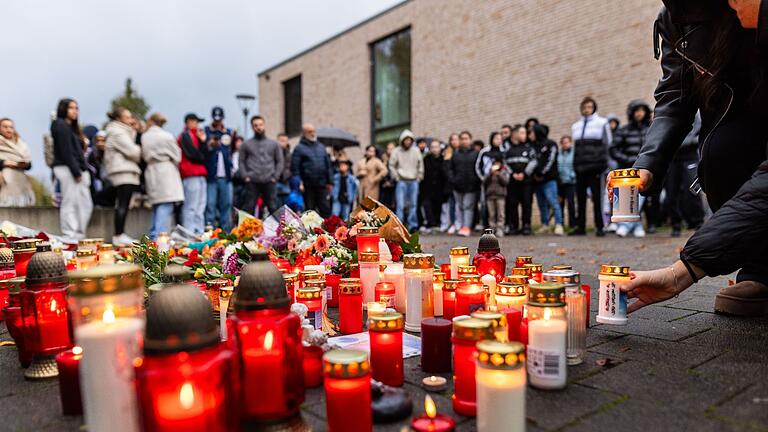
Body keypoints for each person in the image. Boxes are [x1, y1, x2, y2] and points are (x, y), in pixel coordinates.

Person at [614, 0, 768, 316]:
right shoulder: (678, 17)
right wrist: (647, 164)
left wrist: (681, 272)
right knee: (721, 153)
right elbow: (674, 98)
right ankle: (762, 268)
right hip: (737, 132)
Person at [609, 99, 652, 237]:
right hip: (626, 171)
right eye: (636, 111)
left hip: (643, 170)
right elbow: (613, 149)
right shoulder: (624, 131)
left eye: (642, 110)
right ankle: (636, 226)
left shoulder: (650, 130)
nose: (639, 114)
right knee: (625, 200)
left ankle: (626, 226)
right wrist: (627, 159)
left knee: (639, 198)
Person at [51, 98, 92, 241]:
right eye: (71, 108)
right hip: (67, 168)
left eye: (76, 108)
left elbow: (77, 151)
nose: (75, 111)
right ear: (63, 109)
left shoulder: (71, 127)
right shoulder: (59, 124)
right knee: (70, 202)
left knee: (84, 204)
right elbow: (65, 151)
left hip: (77, 169)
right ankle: (69, 235)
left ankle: (78, 235)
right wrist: (76, 171)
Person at [571, 96, 611, 236]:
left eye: (589, 107)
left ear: (594, 108)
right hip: (580, 168)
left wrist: (603, 165)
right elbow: (575, 150)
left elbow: (608, 145)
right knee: (580, 199)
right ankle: (580, 227)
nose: (587, 110)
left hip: (595, 167)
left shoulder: (602, 123)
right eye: (584, 107)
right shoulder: (576, 126)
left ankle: (600, 227)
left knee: (597, 198)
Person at [141, 113, 184, 239]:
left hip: (151, 170)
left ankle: (154, 235)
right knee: (165, 205)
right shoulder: (167, 136)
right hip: (166, 170)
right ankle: (160, 237)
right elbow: (177, 156)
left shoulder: (145, 136)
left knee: (156, 205)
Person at [104, 107, 142, 245]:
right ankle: (118, 235)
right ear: (119, 119)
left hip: (124, 170)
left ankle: (120, 234)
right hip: (122, 171)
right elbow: (133, 152)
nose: (131, 120)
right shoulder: (117, 132)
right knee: (122, 204)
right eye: (128, 117)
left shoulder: (122, 131)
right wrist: (138, 148)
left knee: (124, 204)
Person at [665, 113, 704, 237]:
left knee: (692, 191)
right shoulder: (668, 112)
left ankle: (698, 222)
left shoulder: (695, 114)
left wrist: (681, 143)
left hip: (690, 157)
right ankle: (676, 224)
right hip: (672, 159)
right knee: (671, 193)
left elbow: (699, 134)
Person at [239, 115, 283, 218]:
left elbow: (280, 161)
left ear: (264, 125)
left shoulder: (274, 144)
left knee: (273, 208)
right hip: (252, 181)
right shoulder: (246, 144)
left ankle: (278, 232)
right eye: (256, 125)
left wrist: (275, 177)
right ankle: (246, 233)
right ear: (252, 127)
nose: (258, 127)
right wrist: (245, 176)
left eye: (260, 125)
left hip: (269, 180)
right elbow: (241, 161)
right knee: (249, 207)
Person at [203, 107, 234, 232]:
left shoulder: (229, 132)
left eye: (219, 119)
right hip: (211, 176)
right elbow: (203, 149)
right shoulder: (206, 131)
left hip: (226, 176)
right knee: (210, 204)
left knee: (226, 204)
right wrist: (211, 143)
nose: (217, 123)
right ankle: (210, 232)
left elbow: (233, 148)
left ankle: (225, 232)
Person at [292, 123, 333, 217]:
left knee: (325, 209)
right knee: (310, 211)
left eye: (314, 131)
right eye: (310, 131)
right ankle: (311, 231)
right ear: (304, 133)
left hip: (322, 185)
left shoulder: (321, 147)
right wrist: (299, 182)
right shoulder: (299, 148)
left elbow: (328, 165)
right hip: (308, 186)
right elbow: (295, 168)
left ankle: (328, 230)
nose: (313, 133)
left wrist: (330, 182)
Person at [530, 124, 564, 235]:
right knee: (541, 204)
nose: (531, 134)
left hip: (549, 179)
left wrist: (542, 173)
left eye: (533, 132)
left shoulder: (551, 144)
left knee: (553, 201)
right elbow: (531, 162)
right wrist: (535, 174)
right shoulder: (533, 146)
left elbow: (551, 160)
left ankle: (559, 225)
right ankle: (545, 224)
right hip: (536, 181)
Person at [177, 113, 208, 235]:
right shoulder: (185, 135)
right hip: (190, 174)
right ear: (189, 122)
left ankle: (198, 231)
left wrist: (203, 142)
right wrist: (201, 156)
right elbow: (194, 155)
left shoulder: (197, 136)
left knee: (200, 206)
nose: (197, 124)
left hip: (200, 174)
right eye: (195, 122)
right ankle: (189, 233)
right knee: (191, 206)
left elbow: (204, 155)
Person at [388, 129, 423, 232]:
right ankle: (399, 226)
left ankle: (412, 225)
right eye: (406, 140)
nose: (407, 142)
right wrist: (396, 177)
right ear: (402, 140)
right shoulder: (396, 151)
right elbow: (391, 165)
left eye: (409, 140)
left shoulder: (416, 151)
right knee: (400, 205)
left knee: (413, 204)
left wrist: (419, 177)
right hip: (401, 181)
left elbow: (420, 164)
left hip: (413, 181)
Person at [445, 131, 479, 237]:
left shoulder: (476, 154)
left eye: (466, 138)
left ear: (470, 140)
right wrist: (453, 180)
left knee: (468, 206)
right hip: (457, 186)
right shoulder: (455, 154)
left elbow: (478, 169)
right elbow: (449, 169)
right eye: (462, 138)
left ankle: (466, 227)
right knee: (459, 206)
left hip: (471, 186)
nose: (464, 141)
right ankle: (460, 226)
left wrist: (475, 180)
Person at [505, 125, 536, 235]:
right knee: (512, 204)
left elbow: (533, 162)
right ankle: (513, 226)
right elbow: (505, 164)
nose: (525, 135)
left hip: (526, 182)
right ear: (515, 135)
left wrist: (524, 173)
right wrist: (512, 174)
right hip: (512, 183)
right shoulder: (508, 151)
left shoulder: (529, 149)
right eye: (522, 133)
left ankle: (526, 225)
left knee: (526, 203)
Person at [0, 118, 34, 206]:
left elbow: (29, 164)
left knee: (22, 203)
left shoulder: (21, 144)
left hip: (20, 177)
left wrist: (24, 164)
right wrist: (4, 163)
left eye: (11, 127)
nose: (8, 129)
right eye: (5, 127)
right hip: (4, 178)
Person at [421, 139, 446, 232]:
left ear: (440, 148)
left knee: (438, 206)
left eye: (436, 147)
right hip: (427, 187)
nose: (434, 149)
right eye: (432, 147)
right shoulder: (426, 159)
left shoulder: (443, 160)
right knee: (427, 205)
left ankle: (437, 223)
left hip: (439, 187)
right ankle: (430, 223)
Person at [484, 156, 510, 238]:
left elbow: (506, 182)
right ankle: (492, 229)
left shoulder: (504, 171)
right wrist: (490, 174)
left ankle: (500, 229)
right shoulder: (489, 172)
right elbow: (485, 182)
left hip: (500, 196)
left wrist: (498, 175)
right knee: (491, 214)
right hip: (490, 195)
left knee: (500, 214)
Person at [440, 133, 460, 233]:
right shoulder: (447, 154)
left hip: (461, 182)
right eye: (452, 140)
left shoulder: (462, 152)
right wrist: (453, 179)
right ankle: (453, 223)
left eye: (456, 139)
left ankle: (461, 223)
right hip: (451, 183)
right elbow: (446, 169)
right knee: (452, 204)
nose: (454, 142)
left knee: (461, 205)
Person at [557, 135, 577, 230]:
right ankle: (561, 224)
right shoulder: (559, 154)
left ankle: (572, 224)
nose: (565, 144)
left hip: (571, 182)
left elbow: (576, 165)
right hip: (560, 183)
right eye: (563, 142)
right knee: (560, 204)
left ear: (570, 142)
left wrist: (572, 175)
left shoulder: (574, 153)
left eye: (567, 142)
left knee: (571, 203)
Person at [379, 141, 397, 210]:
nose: (390, 151)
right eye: (388, 149)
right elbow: (382, 173)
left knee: (394, 206)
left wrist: (391, 182)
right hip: (384, 188)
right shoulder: (383, 160)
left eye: (391, 149)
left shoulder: (397, 160)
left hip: (394, 187)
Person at [276, 133, 293, 207]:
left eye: (285, 141)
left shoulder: (289, 154)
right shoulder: (273, 153)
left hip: (286, 183)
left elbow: (291, 167)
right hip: (276, 182)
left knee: (285, 208)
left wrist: (289, 175)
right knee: (275, 208)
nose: (283, 143)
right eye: (281, 141)